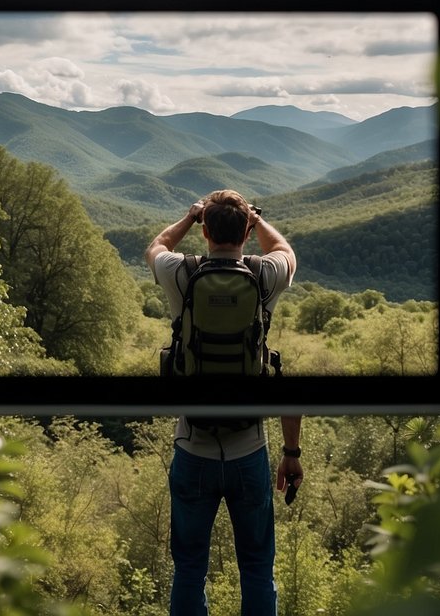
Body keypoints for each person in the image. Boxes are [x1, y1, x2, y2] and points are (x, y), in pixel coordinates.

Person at [144, 189, 302, 616]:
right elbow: (286, 250)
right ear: (246, 234)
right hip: (249, 448)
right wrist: (256, 219)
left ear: (206, 232)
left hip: (192, 445)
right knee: (256, 567)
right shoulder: (263, 276)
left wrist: (187, 217)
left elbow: (156, 247)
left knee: (190, 569)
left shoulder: (182, 274)